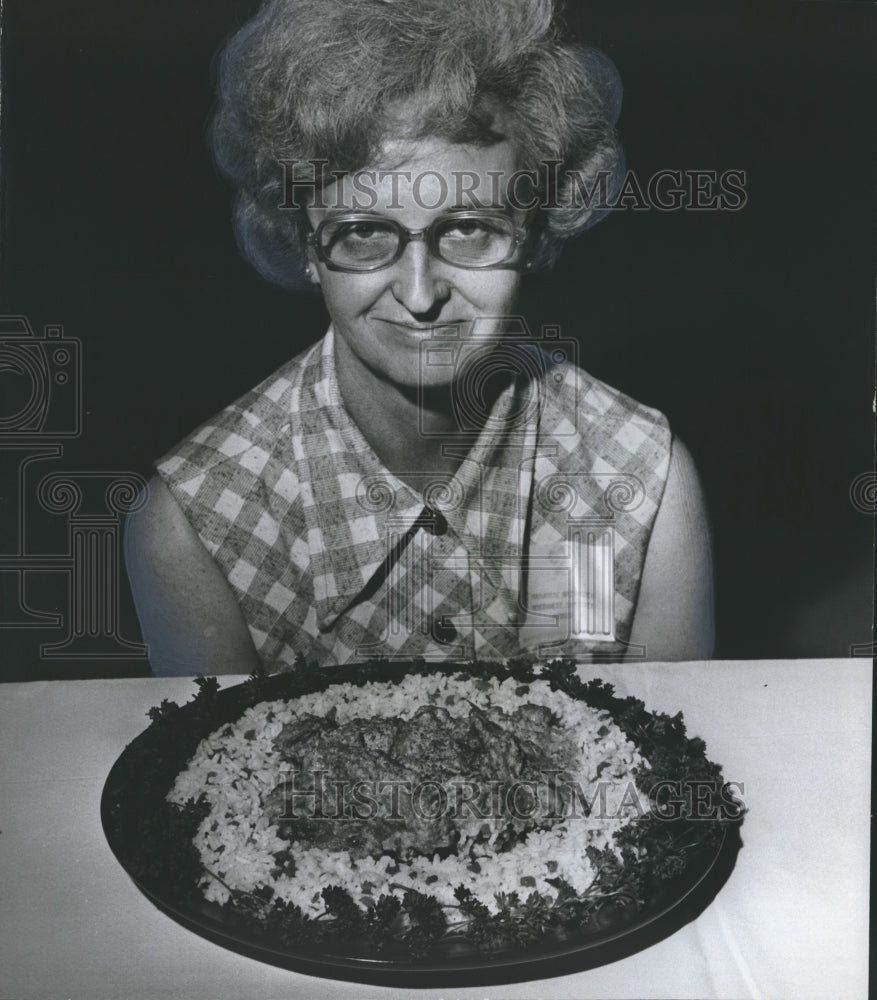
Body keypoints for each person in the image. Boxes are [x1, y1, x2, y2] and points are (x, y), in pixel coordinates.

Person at [125, 0, 714, 675]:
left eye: (468, 229)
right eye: (362, 233)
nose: (418, 294)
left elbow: (664, 765)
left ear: (538, 231)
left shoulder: (644, 479)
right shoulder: (191, 526)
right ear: (302, 243)